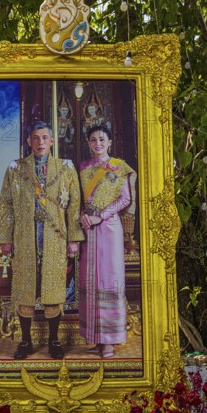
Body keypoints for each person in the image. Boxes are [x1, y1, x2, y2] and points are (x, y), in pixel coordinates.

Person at [0, 121, 84, 360]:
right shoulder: (15, 169)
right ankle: (25, 342)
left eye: (45, 137)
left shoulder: (65, 168)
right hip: (25, 237)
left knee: (53, 291)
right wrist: (5, 237)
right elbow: (5, 204)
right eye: (36, 138)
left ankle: (54, 341)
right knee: (25, 291)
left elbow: (74, 204)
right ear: (29, 141)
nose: (41, 142)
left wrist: (73, 238)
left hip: (55, 237)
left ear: (52, 141)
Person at [79, 125, 136, 358]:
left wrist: (100, 216)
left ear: (110, 142)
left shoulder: (120, 167)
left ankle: (110, 342)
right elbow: (78, 199)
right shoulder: (83, 168)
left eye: (102, 139)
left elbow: (125, 199)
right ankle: (95, 337)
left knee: (109, 281)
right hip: (88, 230)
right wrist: (83, 216)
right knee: (90, 281)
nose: (98, 143)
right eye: (93, 140)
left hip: (109, 227)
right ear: (89, 143)